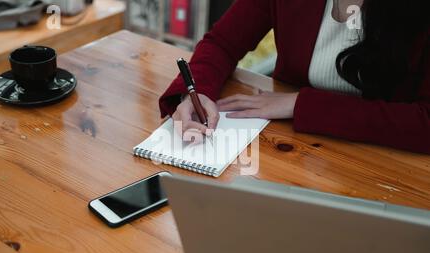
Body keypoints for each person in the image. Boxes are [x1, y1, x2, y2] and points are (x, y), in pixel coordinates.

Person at [159, 0, 430, 154]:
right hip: (291, 152)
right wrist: (196, 93)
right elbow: (222, 43)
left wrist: (302, 104)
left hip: (387, 168)